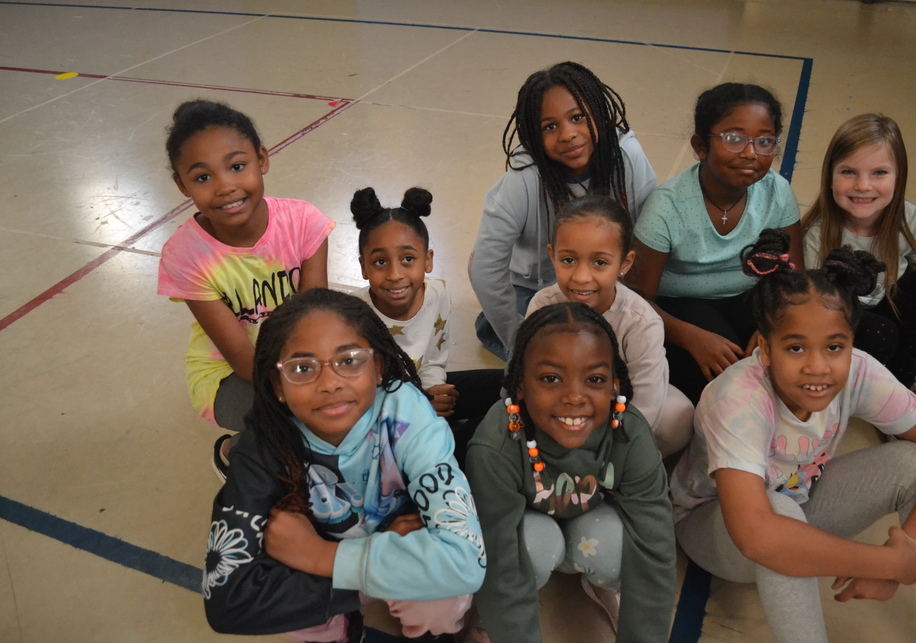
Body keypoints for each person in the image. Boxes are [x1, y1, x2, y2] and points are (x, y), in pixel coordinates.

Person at [671, 229, 916, 643]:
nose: (818, 367)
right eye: (796, 348)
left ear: (851, 344)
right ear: (764, 349)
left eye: (834, 347)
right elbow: (757, 536)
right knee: (778, 517)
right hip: (716, 528)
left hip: (801, 500)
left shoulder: (860, 371)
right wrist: (884, 565)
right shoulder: (738, 400)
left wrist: (908, 548)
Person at [202, 288, 486, 641]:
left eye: (349, 360)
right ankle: (341, 625)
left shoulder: (407, 416)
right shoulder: (263, 443)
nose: (330, 383)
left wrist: (323, 557)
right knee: (294, 613)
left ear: (379, 367)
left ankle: (429, 628)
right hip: (386, 552)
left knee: (438, 603)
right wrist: (370, 574)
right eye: (302, 368)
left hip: (385, 537)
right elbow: (228, 601)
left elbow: (466, 560)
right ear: (277, 385)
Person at [464, 303, 676, 643]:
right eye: (551, 379)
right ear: (519, 385)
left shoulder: (629, 433)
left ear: (613, 385)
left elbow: (655, 548)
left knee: (619, 547)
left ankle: (600, 583)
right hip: (529, 531)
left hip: (588, 525)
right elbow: (499, 557)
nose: (575, 397)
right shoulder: (497, 444)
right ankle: (489, 613)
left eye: (594, 380)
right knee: (533, 546)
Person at [157, 99, 333, 480]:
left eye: (237, 167)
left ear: (263, 159)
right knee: (298, 423)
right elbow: (239, 353)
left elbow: (316, 318)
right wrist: (301, 394)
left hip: (301, 357)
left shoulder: (304, 223)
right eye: (203, 177)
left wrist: (321, 380)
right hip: (228, 373)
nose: (225, 187)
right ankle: (235, 451)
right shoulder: (186, 255)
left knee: (343, 407)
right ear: (181, 184)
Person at [626, 82, 803, 404]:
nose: (751, 153)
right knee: (724, 375)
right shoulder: (667, 206)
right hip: (681, 307)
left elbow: (795, 280)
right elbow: (635, 300)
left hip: (750, 296)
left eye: (764, 141)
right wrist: (690, 337)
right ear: (700, 146)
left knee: (785, 355)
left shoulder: (777, 192)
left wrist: (773, 326)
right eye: (734, 139)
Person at [470, 61, 658, 360]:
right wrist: (518, 341)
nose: (568, 134)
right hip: (533, 291)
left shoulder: (627, 156)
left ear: (598, 112)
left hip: (606, 281)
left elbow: (649, 236)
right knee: (555, 357)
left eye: (578, 117)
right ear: (533, 135)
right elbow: (484, 268)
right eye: (550, 127)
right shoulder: (523, 180)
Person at [526, 194, 694, 456]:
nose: (582, 277)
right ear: (552, 255)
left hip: (617, 415)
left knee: (677, 414)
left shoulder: (641, 322)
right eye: (568, 260)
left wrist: (608, 452)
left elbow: (646, 403)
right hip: (560, 406)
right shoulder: (542, 306)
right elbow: (527, 377)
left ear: (624, 264)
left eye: (600, 263)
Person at [350, 186, 503, 461]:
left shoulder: (439, 293)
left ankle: (462, 445)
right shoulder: (351, 315)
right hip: (382, 415)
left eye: (408, 259)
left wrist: (434, 390)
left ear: (428, 260)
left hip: (421, 393)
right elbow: (357, 396)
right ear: (363, 267)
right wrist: (420, 403)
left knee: (508, 384)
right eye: (380, 262)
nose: (395, 274)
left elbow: (433, 359)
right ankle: (453, 457)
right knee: (460, 442)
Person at [803, 113, 916, 392]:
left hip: (884, 311)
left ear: (899, 177)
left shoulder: (915, 223)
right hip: (835, 321)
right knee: (880, 333)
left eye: (879, 173)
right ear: (830, 177)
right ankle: (853, 388)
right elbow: (813, 310)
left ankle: (899, 389)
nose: (863, 186)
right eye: (848, 172)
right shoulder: (817, 235)